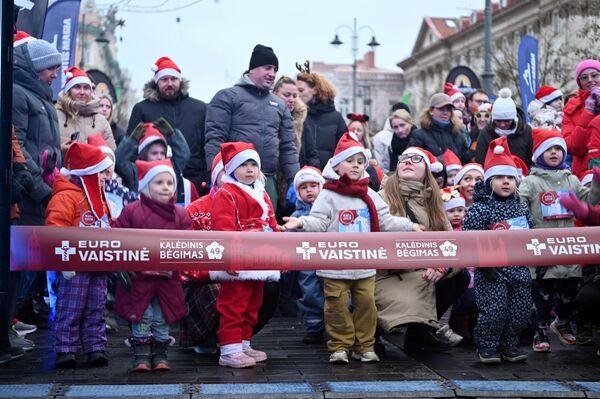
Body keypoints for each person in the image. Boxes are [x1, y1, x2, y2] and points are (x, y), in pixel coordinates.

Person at [283, 132, 423, 364]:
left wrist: (409, 226)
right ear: (337, 165)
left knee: (366, 306)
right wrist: (301, 222)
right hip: (335, 264)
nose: (357, 166)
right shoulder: (327, 194)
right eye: (351, 161)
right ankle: (339, 345)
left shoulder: (368, 194)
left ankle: (365, 346)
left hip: (365, 264)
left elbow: (386, 220)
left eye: (361, 162)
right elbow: (319, 222)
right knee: (336, 306)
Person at [375, 147, 468, 351]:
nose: (408, 161)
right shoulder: (380, 198)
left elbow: (449, 241)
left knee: (459, 277)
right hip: (391, 273)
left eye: (416, 159)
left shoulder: (434, 200)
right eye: (404, 158)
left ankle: (419, 334)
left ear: (426, 170)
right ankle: (372, 335)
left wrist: (442, 266)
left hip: (425, 272)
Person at [518, 129, 599, 352]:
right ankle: (540, 330)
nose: (554, 153)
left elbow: (590, 202)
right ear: (539, 153)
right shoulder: (530, 182)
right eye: (549, 149)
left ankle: (561, 323)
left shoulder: (572, 180)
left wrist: (597, 185)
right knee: (541, 296)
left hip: (568, 248)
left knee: (569, 293)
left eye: (558, 149)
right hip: (541, 251)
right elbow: (519, 205)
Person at [113, 159, 190, 372]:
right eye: (159, 183)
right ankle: (140, 358)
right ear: (146, 186)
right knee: (142, 316)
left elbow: (190, 246)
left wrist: (182, 267)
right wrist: (122, 266)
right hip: (139, 279)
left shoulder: (181, 215)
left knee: (162, 317)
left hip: (168, 279)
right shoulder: (131, 211)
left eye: (169, 183)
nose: (165, 187)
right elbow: (117, 239)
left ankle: (160, 356)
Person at [463, 137, 533, 364]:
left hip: (519, 269)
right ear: (490, 181)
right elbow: (470, 239)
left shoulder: (522, 205)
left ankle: (509, 345)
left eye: (510, 178)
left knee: (520, 312)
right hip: (492, 271)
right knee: (494, 311)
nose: (506, 182)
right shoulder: (481, 208)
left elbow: (532, 233)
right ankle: (487, 346)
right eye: (500, 177)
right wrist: (485, 265)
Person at [210, 142, 280, 368]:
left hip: (261, 260)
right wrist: (230, 257)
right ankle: (229, 350)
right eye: (243, 165)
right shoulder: (227, 193)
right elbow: (223, 229)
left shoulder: (262, 193)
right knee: (233, 304)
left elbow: (272, 224)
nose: (250, 169)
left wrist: (282, 256)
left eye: (253, 165)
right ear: (231, 169)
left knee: (253, 305)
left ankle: (243, 343)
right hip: (238, 261)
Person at [204, 45, 299, 209]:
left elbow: (287, 147)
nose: (272, 73)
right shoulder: (227, 97)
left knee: (265, 229)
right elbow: (214, 138)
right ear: (252, 69)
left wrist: (296, 179)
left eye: (275, 69)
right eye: (267, 67)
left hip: (266, 179)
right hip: (233, 178)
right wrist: (218, 174)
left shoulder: (279, 105)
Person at [45, 143, 113, 368]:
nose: (105, 177)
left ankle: (95, 347)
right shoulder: (66, 197)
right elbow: (55, 229)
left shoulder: (98, 197)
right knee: (70, 307)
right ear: (87, 174)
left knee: (97, 306)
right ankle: (65, 348)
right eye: (100, 172)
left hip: (98, 264)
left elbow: (108, 226)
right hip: (74, 267)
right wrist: (63, 261)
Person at [12, 37, 62, 331]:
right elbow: (18, 143)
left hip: (42, 184)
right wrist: (39, 187)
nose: (55, 74)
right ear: (37, 68)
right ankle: (15, 312)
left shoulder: (40, 96)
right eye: (51, 68)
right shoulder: (20, 94)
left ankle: (24, 307)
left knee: (34, 251)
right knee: (24, 253)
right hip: (29, 187)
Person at [127, 56, 208, 194]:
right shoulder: (142, 109)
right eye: (164, 79)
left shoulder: (200, 108)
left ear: (180, 80)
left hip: (194, 182)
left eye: (173, 79)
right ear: (157, 82)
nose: (169, 83)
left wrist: (206, 177)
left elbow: (206, 145)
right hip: (154, 181)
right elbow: (131, 150)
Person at [115, 119, 196, 207]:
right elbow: (118, 161)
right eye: (154, 153)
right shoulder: (135, 172)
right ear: (143, 155)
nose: (159, 157)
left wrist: (172, 136)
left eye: (162, 153)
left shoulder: (170, 170)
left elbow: (184, 154)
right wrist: (131, 141)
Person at [287, 167, 326, 344]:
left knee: (336, 292)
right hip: (307, 261)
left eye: (313, 185)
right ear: (297, 192)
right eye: (303, 187)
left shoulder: (328, 211)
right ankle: (314, 327)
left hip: (328, 259)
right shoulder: (296, 216)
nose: (309, 190)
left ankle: (337, 324)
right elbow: (289, 240)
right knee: (310, 292)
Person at [296, 65, 347, 170]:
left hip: (329, 177)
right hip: (303, 176)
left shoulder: (336, 118)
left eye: (301, 90)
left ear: (314, 90)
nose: (297, 95)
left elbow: (344, 150)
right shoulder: (297, 116)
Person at [57, 67, 115, 154]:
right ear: (68, 90)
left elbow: (111, 155)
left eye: (86, 88)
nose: (82, 92)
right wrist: (60, 149)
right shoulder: (55, 114)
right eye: (77, 87)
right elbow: (44, 148)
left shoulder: (102, 121)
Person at [475, 88, 533, 169]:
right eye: (498, 121)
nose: (502, 125)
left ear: (513, 118)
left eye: (506, 121)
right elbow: (480, 162)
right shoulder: (485, 133)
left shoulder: (526, 131)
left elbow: (531, 159)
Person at [87, 134, 138, 219]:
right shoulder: (83, 190)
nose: (106, 167)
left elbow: (136, 201)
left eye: (109, 163)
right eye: (102, 162)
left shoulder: (118, 190)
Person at [562, 60, 600, 175]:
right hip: (585, 175)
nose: (590, 80)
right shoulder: (572, 107)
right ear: (579, 82)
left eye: (594, 75)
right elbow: (573, 147)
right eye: (584, 78)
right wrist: (588, 112)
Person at [409, 93, 469, 163]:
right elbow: (414, 161)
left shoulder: (458, 135)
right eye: (441, 109)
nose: (445, 112)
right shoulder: (419, 135)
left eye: (448, 109)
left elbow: (466, 162)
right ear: (431, 111)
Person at [273, 76, 316, 167]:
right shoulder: (267, 119)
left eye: (295, 96)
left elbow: (312, 155)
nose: (292, 100)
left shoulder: (301, 122)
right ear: (274, 94)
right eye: (287, 95)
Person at [372, 102, 412, 170]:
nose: (400, 130)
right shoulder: (381, 137)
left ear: (410, 121)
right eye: (396, 127)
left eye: (402, 125)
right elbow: (379, 164)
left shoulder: (419, 137)